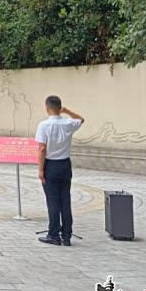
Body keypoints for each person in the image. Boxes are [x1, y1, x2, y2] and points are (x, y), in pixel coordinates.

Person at [36, 96, 85, 246]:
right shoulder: (68, 123)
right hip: (65, 164)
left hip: (51, 165)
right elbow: (81, 119)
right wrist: (67, 111)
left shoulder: (44, 125)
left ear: (47, 108)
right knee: (65, 200)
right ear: (60, 108)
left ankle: (53, 235)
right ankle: (67, 235)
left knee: (53, 202)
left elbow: (42, 149)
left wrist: (40, 170)